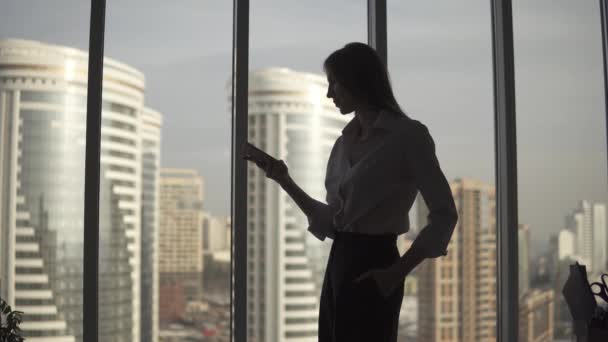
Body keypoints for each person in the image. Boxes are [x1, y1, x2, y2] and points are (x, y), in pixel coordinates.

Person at [242, 42, 458, 342]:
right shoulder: (343, 144)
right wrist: (284, 179)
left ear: (358, 80)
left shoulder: (408, 136)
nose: (330, 93)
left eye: (334, 82)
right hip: (339, 264)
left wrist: (396, 273)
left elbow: (445, 214)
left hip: (378, 264)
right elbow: (335, 223)